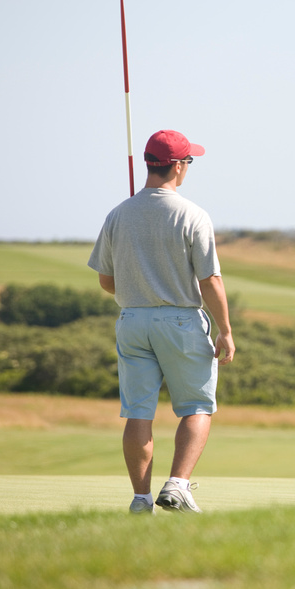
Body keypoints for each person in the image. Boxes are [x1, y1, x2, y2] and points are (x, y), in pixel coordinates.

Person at [88, 129, 235, 514]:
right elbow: (209, 280)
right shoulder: (192, 214)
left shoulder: (119, 213)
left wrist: (139, 289)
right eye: (188, 162)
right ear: (176, 166)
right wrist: (226, 330)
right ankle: (178, 484)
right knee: (196, 407)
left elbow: (106, 280)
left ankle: (141, 499)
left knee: (138, 411)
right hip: (181, 321)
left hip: (132, 320)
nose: (188, 167)